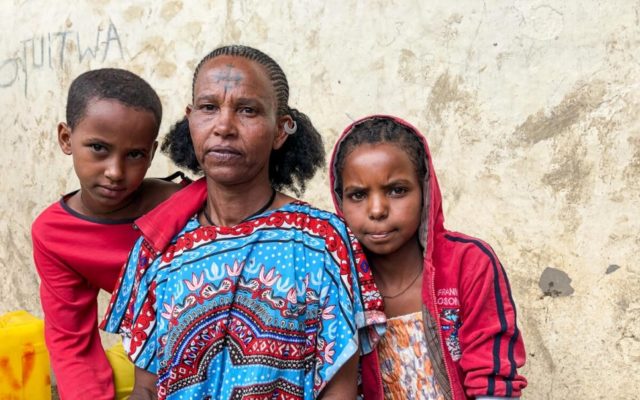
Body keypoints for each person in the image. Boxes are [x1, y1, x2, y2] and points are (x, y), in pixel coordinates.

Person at [101, 45, 386, 400]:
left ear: (281, 129)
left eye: (247, 110)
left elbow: (340, 390)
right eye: (208, 107)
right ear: (190, 119)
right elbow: (145, 387)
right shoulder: (158, 247)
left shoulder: (321, 242)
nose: (223, 126)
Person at [329, 115, 527, 400]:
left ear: (425, 190)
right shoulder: (340, 283)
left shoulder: (467, 263)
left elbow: (493, 378)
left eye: (397, 190)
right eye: (358, 195)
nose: (376, 210)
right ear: (340, 200)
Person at [31, 68, 187, 400]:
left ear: (151, 152)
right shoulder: (54, 234)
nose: (115, 172)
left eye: (134, 155)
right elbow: (72, 342)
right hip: (146, 355)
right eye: (99, 148)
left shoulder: (185, 209)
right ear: (65, 139)